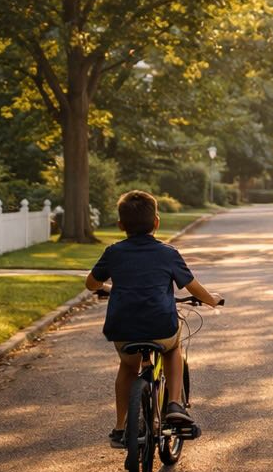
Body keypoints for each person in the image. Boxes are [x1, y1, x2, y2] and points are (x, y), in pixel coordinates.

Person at [86, 190, 223, 448]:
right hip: (160, 327)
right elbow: (192, 287)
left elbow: (91, 283)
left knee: (128, 367)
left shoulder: (113, 252)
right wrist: (211, 300)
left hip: (122, 329)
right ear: (156, 222)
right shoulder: (168, 253)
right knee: (173, 347)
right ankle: (174, 404)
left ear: (120, 225)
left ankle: (119, 428)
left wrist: (108, 289)